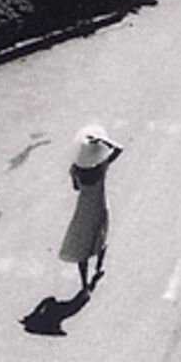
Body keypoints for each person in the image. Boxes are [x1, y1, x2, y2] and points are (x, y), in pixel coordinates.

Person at [59, 125, 123, 296]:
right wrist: (104, 141)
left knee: (82, 247)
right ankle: (99, 267)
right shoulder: (101, 167)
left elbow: (76, 188)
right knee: (100, 237)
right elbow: (119, 149)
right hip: (100, 206)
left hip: (83, 211)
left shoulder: (75, 170)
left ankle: (84, 284)